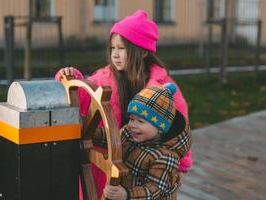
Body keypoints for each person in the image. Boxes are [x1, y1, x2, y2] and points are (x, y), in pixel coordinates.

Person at [55, 9, 193, 198]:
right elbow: (84, 98)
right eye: (113, 48)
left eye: (122, 48)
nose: (115, 55)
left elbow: (180, 125)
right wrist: (71, 78)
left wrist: (181, 164)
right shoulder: (104, 78)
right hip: (110, 163)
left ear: (143, 52)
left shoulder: (162, 85)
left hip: (148, 169)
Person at [101, 83, 192, 200]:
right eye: (131, 119)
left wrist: (126, 195)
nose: (132, 125)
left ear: (160, 127)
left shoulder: (165, 157)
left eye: (140, 121)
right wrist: (89, 132)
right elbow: (111, 140)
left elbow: (154, 190)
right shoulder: (129, 134)